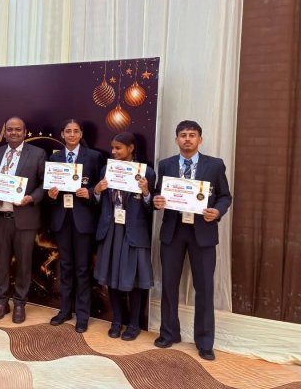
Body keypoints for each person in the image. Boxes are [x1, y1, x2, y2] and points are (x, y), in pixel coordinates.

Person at [153, 120, 232, 361]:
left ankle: (205, 342)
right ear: (176, 139)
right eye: (183, 135)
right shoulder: (165, 164)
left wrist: (217, 212)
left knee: (205, 288)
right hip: (173, 231)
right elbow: (158, 193)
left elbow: (225, 196)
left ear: (200, 139)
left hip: (203, 233)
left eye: (192, 135)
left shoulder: (214, 165)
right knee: (169, 285)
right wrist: (156, 200)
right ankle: (168, 333)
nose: (187, 139)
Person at [93, 132, 155, 341]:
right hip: (111, 230)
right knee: (112, 278)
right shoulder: (106, 170)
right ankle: (117, 320)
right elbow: (98, 202)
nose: (113, 151)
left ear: (131, 148)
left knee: (134, 280)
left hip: (134, 232)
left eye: (118, 148)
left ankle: (134, 323)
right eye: (112, 147)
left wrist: (146, 193)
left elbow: (151, 208)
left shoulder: (146, 173)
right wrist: (97, 191)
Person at [46, 119, 103, 333]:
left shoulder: (94, 157)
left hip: (83, 220)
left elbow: (99, 190)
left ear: (81, 134)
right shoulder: (54, 158)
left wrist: (90, 193)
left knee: (82, 269)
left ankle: (83, 315)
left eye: (75, 131)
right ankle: (65, 310)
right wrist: (51, 195)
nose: (71, 135)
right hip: (62, 219)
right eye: (68, 131)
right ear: (62, 134)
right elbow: (49, 190)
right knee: (66, 267)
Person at [0, 117, 46, 324]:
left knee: (24, 264)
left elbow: (44, 184)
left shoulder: (38, 154)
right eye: (10, 129)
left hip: (25, 219)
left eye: (18, 129)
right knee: (1, 263)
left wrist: (32, 198)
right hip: (0, 217)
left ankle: (20, 303)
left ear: (25, 132)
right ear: (5, 132)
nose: (13, 133)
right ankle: (1, 302)